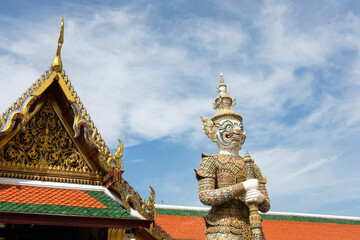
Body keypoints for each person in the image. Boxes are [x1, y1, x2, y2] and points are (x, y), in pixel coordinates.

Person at [195, 74, 270, 240]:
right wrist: (242, 187)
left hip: (252, 226)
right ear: (213, 132)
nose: (235, 131)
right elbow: (206, 196)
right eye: (229, 126)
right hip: (222, 229)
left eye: (239, 127)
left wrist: (260, 198)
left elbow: (266, 206)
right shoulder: (210, 161)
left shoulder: (251, 165)